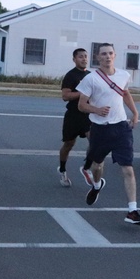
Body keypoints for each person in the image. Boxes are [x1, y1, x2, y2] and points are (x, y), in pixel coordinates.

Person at [76, 43, 140, 225]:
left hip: (121, 127)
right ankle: (97, 185)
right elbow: (81, 105)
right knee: (97, 166)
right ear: (98, 57)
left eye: (110, 53)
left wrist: (135, 113)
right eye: (103, 54)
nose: (107, 57)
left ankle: (132, 210)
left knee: (128, 169)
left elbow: (125, 94)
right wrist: (96, 110)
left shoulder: (123, 75)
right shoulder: (90, 79)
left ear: (115, 56)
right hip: (100, 128)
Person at [58, 48, 91, 187]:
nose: (84, 59)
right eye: (80, 57)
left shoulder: (91, 76)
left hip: (88, 115)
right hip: (73, 115)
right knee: (69, 144)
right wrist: (82, 93)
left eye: (85, 56)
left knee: (95, 142)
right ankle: (63, 170)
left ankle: (87, 167)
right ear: (74, 59)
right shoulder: (70, 76)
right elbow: (65, 96)